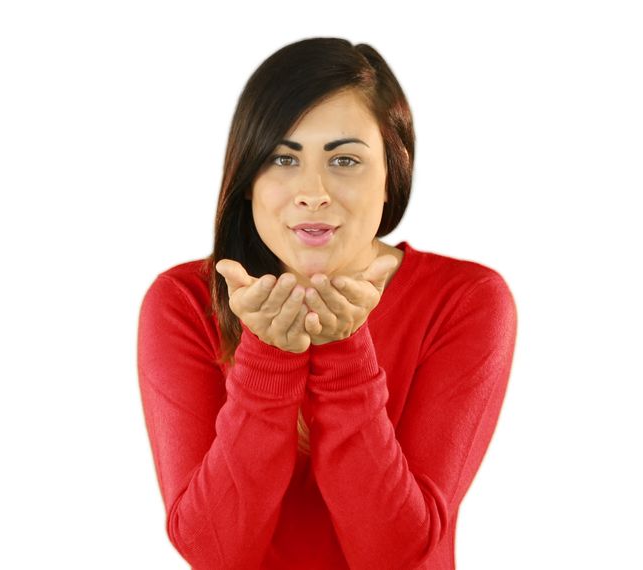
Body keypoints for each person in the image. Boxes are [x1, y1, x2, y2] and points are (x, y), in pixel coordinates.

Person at [137, 37, 517, 569]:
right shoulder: (183, 302)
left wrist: (343, 352)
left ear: (392, 175)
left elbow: (395, 553)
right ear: (248, 181)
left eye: (344, 159)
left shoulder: (465, 300)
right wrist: (268, 356)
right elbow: (213, 551)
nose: (312, 190)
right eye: (282, 158)